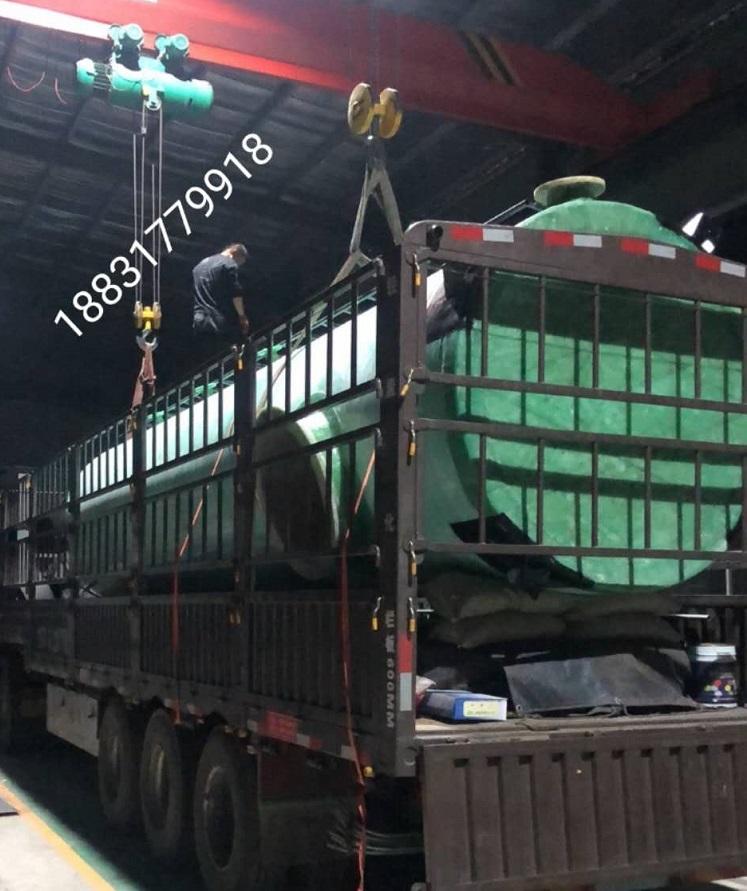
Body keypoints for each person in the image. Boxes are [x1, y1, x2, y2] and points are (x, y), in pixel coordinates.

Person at [192, 243, 250, 342]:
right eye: (238, 262)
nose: (237, 265)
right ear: (234, 253)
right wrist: (242, 316)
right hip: (217, 321)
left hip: (198, 320)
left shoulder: (199, 266)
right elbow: (235, 293)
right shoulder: (228, 263)